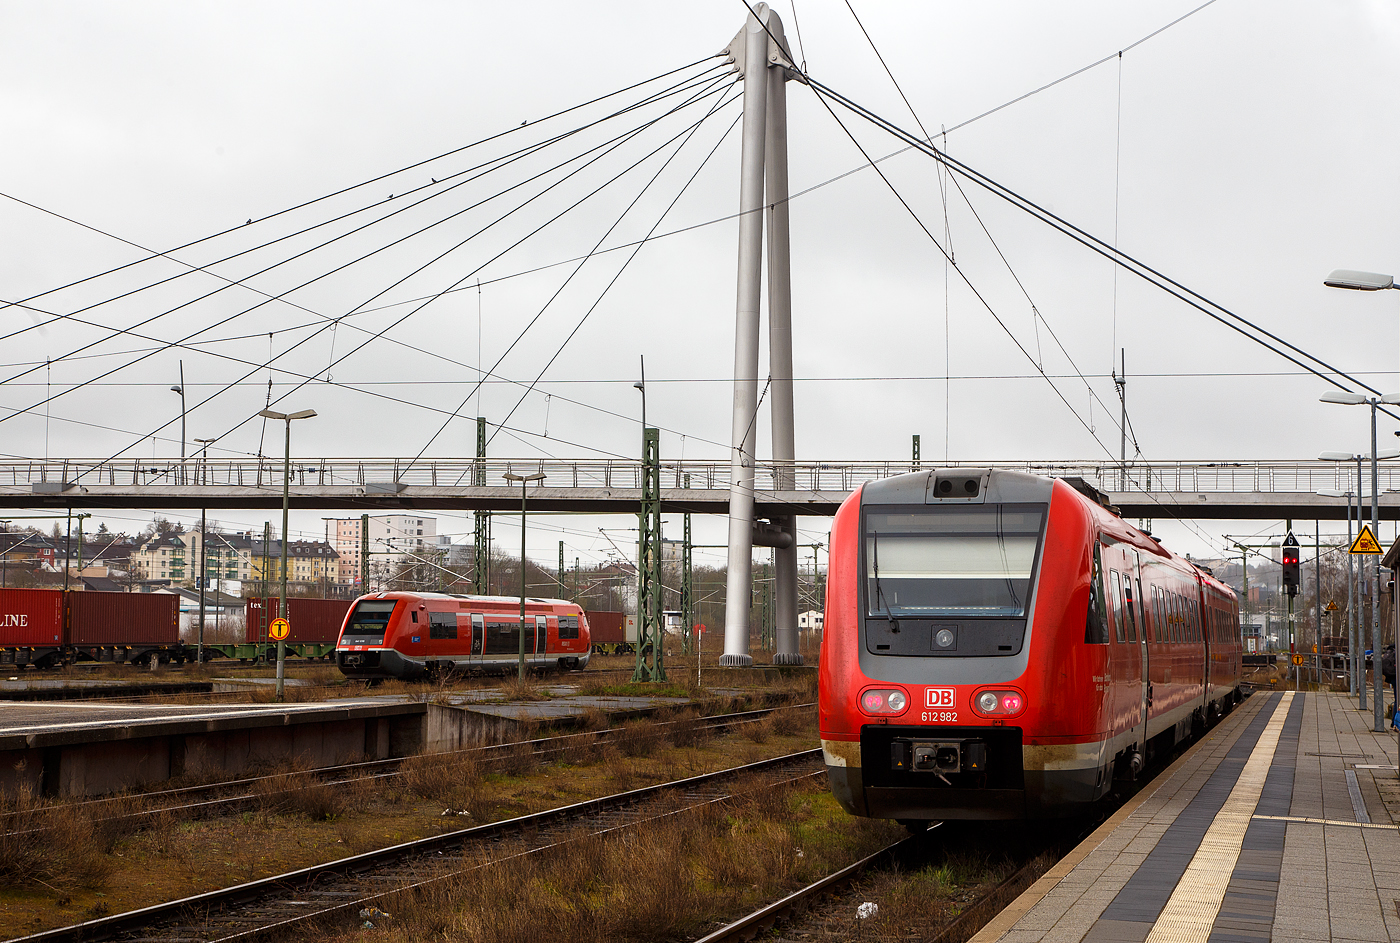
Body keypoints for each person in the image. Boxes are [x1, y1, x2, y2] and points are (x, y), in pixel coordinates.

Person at [1383, 644, 1398, 730]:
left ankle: (1394, 722)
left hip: (1393, 678)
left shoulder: (1393, 649)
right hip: (1397, 677)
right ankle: (1395, 723)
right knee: (1398, 701)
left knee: (1397, 700)